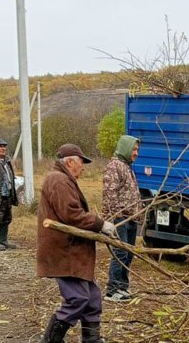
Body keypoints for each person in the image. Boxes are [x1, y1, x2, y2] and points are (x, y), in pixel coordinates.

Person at [36, 144, 118, 343]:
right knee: (78, 298)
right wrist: (100, 224)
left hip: (72, 250)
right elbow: (71, 214)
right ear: (70, 161)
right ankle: (50, 340)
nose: (84, 167)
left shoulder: (62, 179)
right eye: (82, 162)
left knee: (92, 298)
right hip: (64, 252)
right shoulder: (59, 180)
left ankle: (92, 340)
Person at [102, 135, 142, 302]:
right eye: (133, 149)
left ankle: (123, 287)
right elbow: (110, 195)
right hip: (120, 219)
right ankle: (112, 290)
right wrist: (116, 217)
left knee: (128, 253)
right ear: (125, 148)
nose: (136, 153)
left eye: (137, 150)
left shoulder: (127, 166)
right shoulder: (114, 166)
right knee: (119, 253)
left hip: (131, 218)